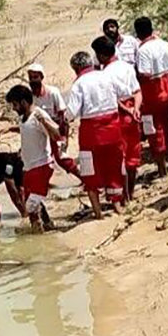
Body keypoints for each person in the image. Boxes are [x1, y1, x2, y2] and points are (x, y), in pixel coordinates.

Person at [65, 50, 124, 217]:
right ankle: (117, 205)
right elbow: (123, 93)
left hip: (92, 132)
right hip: (112, 127)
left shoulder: (79, 84)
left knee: (90, 170)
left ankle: (97, 212)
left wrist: (63, 119)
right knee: (113, 166)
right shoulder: (106, 75)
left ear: (76, 68)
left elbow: (72, 113)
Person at [0, 84, 63, 231]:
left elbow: (57, 135)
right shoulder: (24, 118)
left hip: (41, 166)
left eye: (15, 105)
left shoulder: (38, 115)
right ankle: (45, 226)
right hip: (29, 168)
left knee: (30, 206)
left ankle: (36, 233)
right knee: (32, 204)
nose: (14, 108)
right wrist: (10, 129)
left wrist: (44, 122)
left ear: (23, 102)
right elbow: (27, 130)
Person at [95, 36, 144, 201]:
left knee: (119, 157)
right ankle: (131, 192)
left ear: (101, 55)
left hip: (118, 117)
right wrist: (135, 109)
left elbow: (112, 100)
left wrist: (127, 110)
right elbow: (137, 91)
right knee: (133, 155)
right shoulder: (126, 67)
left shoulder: (104, 74)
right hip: (132, 113)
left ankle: (123, 195)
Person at [134, 16, 168, 175]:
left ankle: (162, 169)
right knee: (167, 126)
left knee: (154, 131)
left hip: (153, 94)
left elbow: (145, 74)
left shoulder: (143, 50)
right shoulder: (165, 44)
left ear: (138, 34)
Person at [27, 63, 69, 158]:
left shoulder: (52, 92)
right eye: (30, 77)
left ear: (41, 77)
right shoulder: (29, 96)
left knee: (62, 159)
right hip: (38, 134)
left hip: (53, 131)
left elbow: (63, 118)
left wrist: (64, 139)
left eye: (35, 77)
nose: (33, 80)